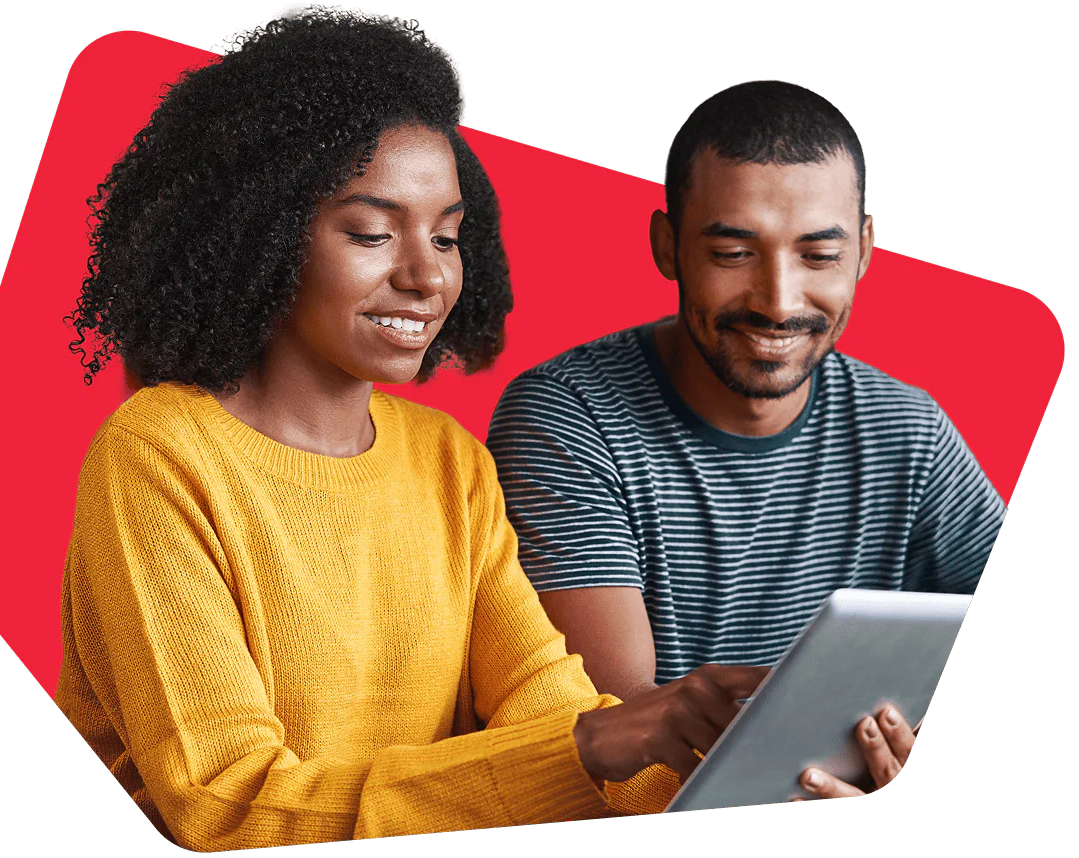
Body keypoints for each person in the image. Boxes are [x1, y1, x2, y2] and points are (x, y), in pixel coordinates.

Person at [56, 9, 767, 851]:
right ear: (259, 233)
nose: (427, 276)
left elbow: (552, 711)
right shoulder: (159, 454)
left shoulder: (447, 461)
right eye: (370, 232)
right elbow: (226, 808)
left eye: (448, 236)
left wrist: (734, 764)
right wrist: (592, 748)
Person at [486, 80, 1006, 799]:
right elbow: (618, 728)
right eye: (733, 252)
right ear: (667, 247)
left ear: (864, 252)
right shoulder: (570, 417)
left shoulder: (908, 430)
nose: (779, 300)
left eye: (819, 256)